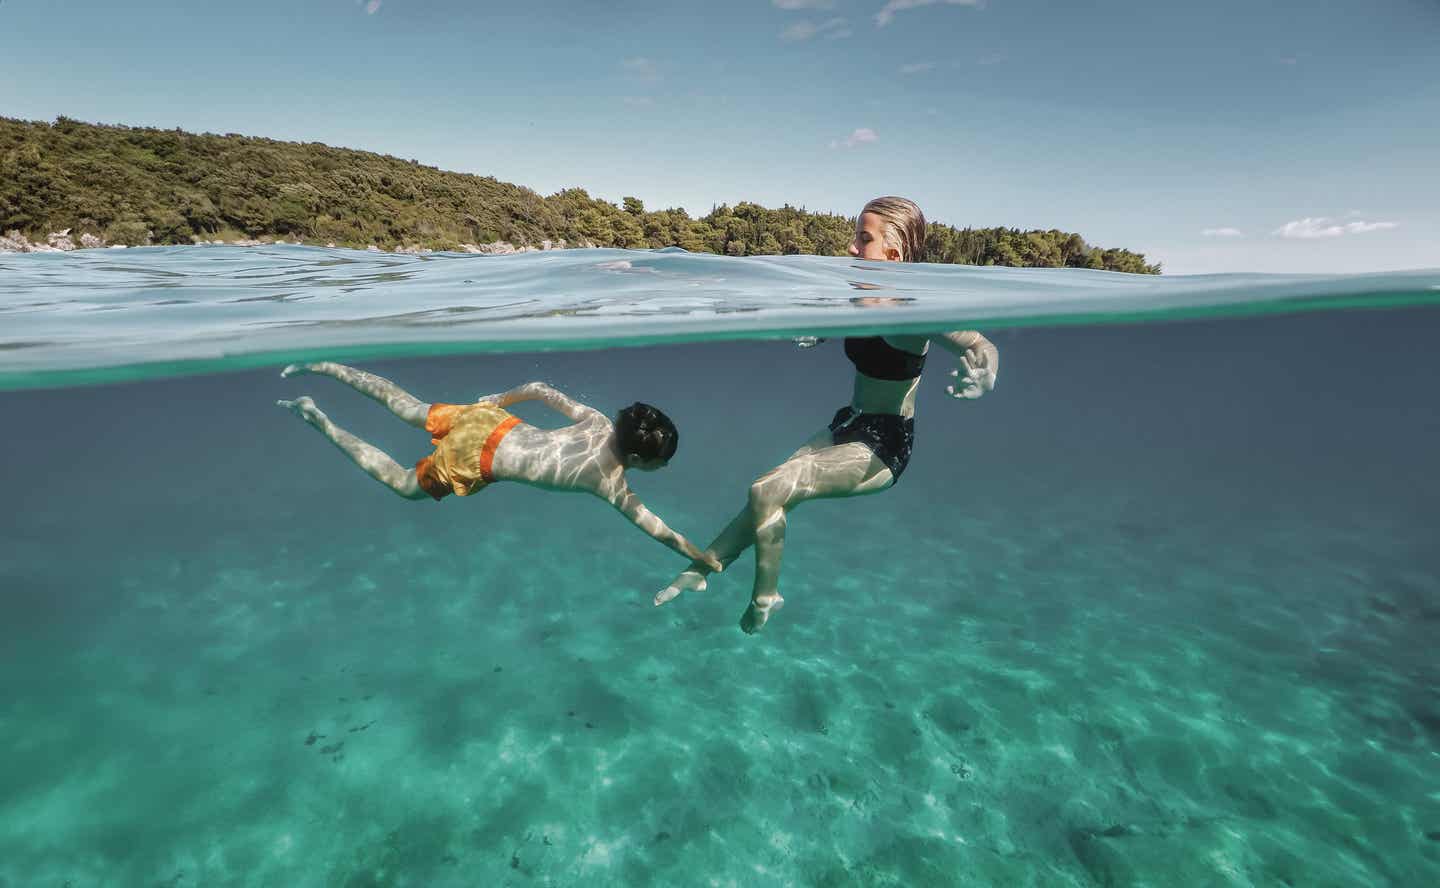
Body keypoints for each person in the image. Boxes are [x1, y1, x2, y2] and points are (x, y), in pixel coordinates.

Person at [655, 196, 999, 633]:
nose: (852, 247)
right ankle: (704, 567)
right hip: (849, 423)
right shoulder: (854, 300)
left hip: (885, 444)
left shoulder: (917, 312)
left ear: (892, 256)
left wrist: (985, 373)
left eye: (864, 238)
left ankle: (766, 597)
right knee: (769, 493)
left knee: (769, 489)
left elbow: (979, 344)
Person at [277, 362, 722, 570]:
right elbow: (657, 528)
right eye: (662, 463)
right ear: (640, 459)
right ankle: (319, 419)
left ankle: (326, 367)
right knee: (404, 484)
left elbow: (540, 386)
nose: (663, 469)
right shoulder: (610, 484)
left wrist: (500, 400)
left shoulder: (597, 422)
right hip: (478, 458)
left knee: (407, 406)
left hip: (494, 420)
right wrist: (703, 557)